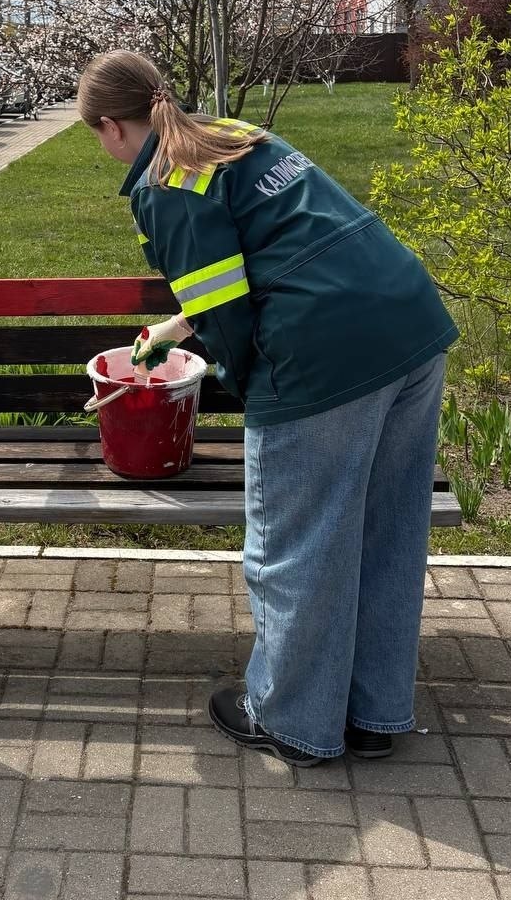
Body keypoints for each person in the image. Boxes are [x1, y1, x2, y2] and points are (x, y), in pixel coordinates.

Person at [78, 50, 457, 766]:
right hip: (410, 326)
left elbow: (228, 314)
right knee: (386, 533)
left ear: (110, 126)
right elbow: (276, 252)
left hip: (326, 355)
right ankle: (374, 712)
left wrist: (261, 394)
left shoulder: (166, 183)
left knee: (297, 547)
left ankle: (292, 720)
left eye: (96, 136)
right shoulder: (235, 136)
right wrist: (174, 327)